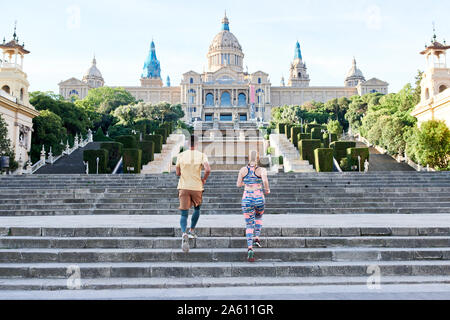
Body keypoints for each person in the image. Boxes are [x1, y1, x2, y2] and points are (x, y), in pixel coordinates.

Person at [176, 134, 211, 253]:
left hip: (184, 186)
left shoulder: (181, 155)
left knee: (184, 213)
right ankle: (192, 230)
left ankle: (183, 232)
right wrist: (204, 179)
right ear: (197, 144)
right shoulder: (201, 155)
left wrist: (183, 174)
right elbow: (208, 169)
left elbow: (177, 172)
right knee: (197, 209)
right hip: (197, 186)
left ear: (187, 144)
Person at [236, 150, 270, 262]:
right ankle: (257, 237)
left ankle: (250, 248)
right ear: (258, 158)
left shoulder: (242, 170)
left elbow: (238, 184)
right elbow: (265, 181)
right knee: (259, 217)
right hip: (259, 197)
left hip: (247, 198)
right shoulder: (262, 170)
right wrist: (267, 189)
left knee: (249, 224)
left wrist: (246, 183)